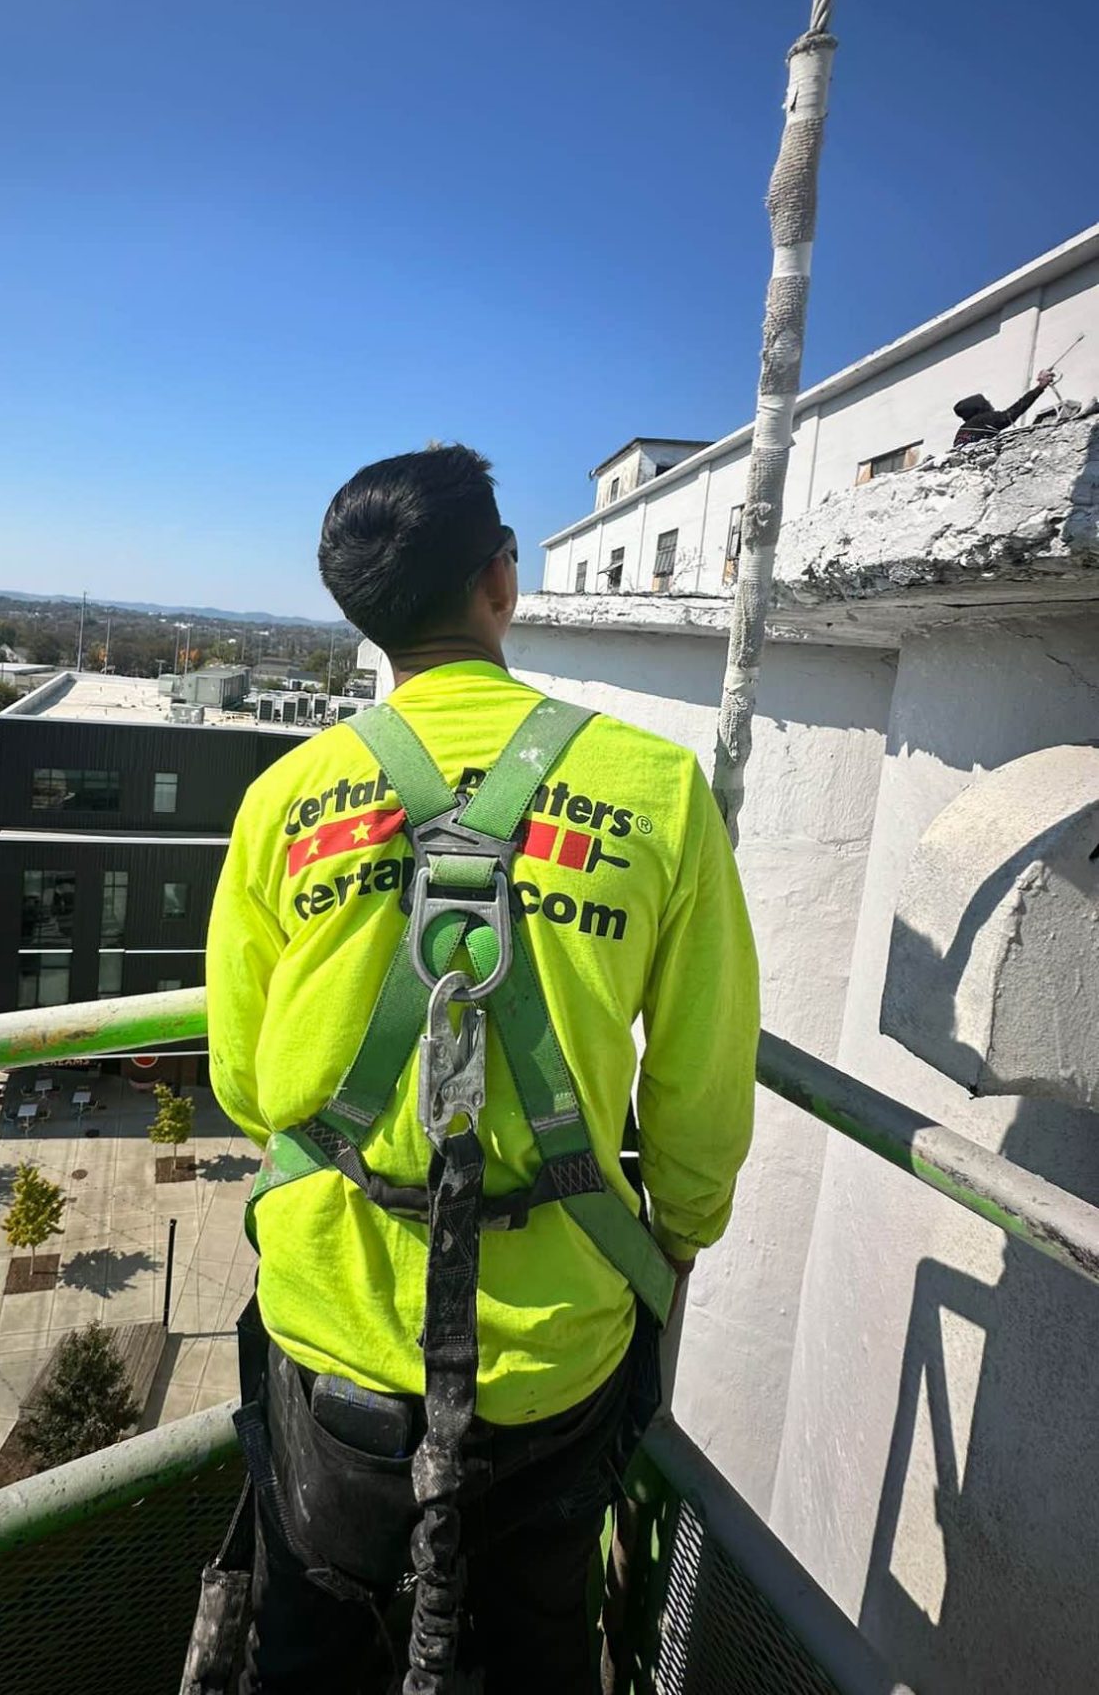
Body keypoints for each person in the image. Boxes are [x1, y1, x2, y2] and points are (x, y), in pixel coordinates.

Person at [205, 443, 759, 1694]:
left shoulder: (285, 798)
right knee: (536, 1649)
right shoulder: (660, 791)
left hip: (333, 1329)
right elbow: (702, 1084)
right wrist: (677, 1230)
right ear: (502, 579)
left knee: (308, 1648)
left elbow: (243, 1077)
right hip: (555, 1351)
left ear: (362, 610)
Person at [952, 369, 1055, 445]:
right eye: (986, 402)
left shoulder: (962, 430)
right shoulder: (985, 418)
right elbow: (1013, 412)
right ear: (980, 407)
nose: (989, 403)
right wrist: (1040, 387)